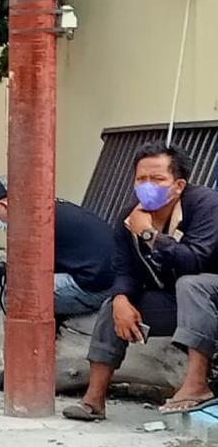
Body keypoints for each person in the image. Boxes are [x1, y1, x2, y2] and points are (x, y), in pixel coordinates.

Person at [62, 143, 218, 421]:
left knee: (191, 284)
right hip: (180, 303)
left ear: (178, 185)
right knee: (115, 305)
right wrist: (121, 298)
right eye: (141, 179)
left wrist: (148, 235)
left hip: (209, 293)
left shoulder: (205, 204)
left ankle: (196, 385)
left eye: (157, 179)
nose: (148, 186)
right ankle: (94, 400)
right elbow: (124, 270)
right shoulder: (129, 218)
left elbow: (195, 260)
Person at [0, 174, 117, 391]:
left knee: (15, 295)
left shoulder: (34, 220)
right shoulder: (49, 208)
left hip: (93, 286)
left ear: (4, 204)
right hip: (100, 276)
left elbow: (21, 272)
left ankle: (19, 371)